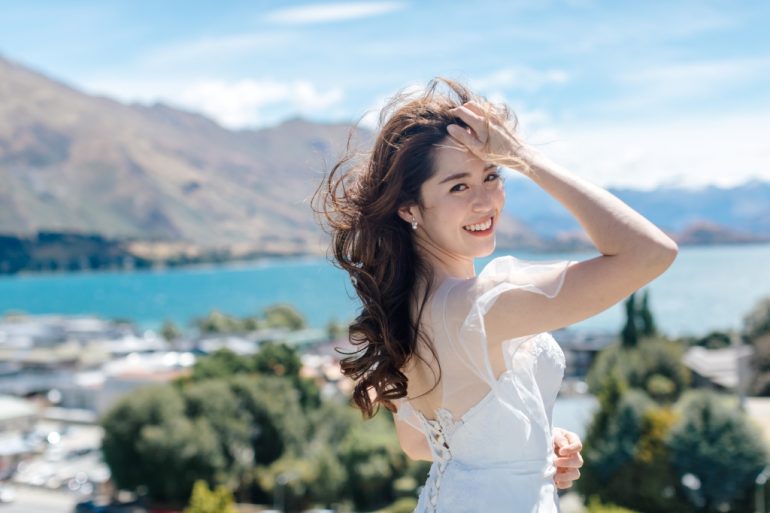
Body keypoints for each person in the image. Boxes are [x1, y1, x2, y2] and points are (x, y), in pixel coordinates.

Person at [313, 78, 678, 512]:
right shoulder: (479, 306)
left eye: (492, 175)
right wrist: (524, 155)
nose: (486, 201)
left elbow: (420, 443)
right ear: (409, 208)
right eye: (458, 186)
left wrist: (533, 444)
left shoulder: (405, 311)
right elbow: (650, 253)